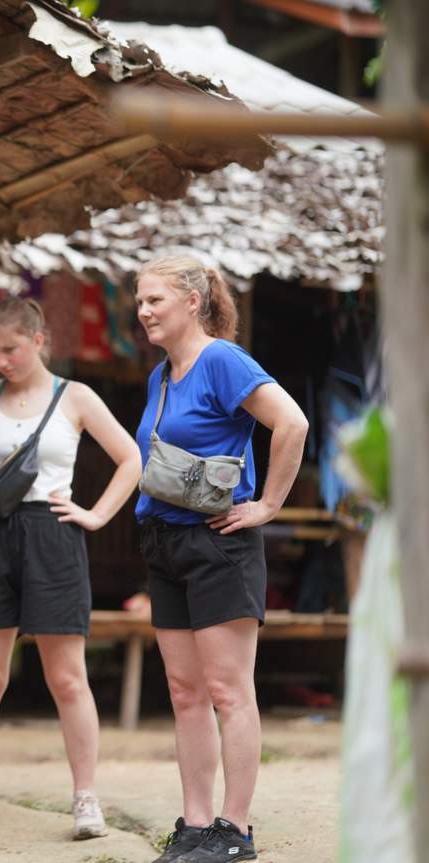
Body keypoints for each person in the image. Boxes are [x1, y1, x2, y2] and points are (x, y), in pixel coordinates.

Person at [0, 297, 142, 843]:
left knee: (67, 677)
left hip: (53, 532)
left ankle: (85, 798)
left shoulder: (76, 396)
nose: (2, 362)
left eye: (12, 350)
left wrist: (94, 515)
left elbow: (132, 459)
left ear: (39, 340)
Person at [133, 257, 307, 863]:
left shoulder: (223, 361)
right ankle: (196, 825)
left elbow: (292, 423)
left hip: (218, 542)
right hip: (164, 541)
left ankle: (235, 831)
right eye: (140, 301)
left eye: (156, 299)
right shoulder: (162, 375)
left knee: (228, 690)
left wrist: (267, 506)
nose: (145, 311)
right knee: (185, 691)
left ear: (193, 300)